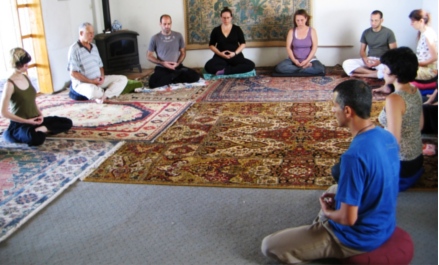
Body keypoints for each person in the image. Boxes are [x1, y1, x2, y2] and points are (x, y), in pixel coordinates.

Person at [261, 79, 400, 264]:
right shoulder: (386, 136)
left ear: (348, 111)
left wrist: (327, 212)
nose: (333, 110)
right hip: (385, 225)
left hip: (357, 238)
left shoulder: (354, 157)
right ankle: (319, 229)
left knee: (270, 245)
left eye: (334, 106)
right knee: (334, 189)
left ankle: (324, 234)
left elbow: (348, 219)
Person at [1, 48, 72, 146]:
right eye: (25, 64)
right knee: (37, 139)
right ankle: (15, 133)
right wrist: (26, 121)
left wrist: (40, 116)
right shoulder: (9, 84)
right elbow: (3, 112)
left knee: (67, 122)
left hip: (35, 120)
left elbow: (32, 101)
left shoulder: (26, 77)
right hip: (20, 124)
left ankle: (41, 129)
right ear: (18, 64)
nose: (27, 66)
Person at [378, 47, 424, 182]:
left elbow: (394, 142)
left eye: (385, 69)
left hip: (401, 164)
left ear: (396, 74)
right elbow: (420, 125)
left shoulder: (394, 99)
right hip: (417, 158)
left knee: (344, 167)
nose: (383, 72)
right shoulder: (416, 90)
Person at [373, 9, 437, 94]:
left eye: (413, 21)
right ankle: (387, 87)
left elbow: (434, 57)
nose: (411, 24)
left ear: (421, 21)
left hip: (430, 71)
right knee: (393, 67)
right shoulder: (423, 33)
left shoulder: (428, 35)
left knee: (399, 70)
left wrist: (416, 64)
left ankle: (390, 89)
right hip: (421, 66)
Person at [67, 22, 127, 104]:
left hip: (98, 81)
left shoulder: (94, 47)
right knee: (92, 91)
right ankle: (102, 93)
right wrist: (91, 81)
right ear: (81, 33)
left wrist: (102, 77)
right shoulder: (74, 49)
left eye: (93, 33)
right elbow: (73, 73)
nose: (92, 35)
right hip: (84, 83)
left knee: (123, 79)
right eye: (89, 33)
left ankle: (104, 96)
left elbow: (100, 66)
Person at [147, 14, 201, 88]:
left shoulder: (178, 35)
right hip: (162, 67)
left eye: (169, 24)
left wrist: (178, 63)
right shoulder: (155, 38)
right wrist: (162, 63)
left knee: (195, 76)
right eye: (164, 24)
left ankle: (171, 77)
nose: (167, 26)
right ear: (160, 24)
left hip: (176, 67)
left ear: (171, 23)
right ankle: (174, 77)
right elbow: (149, 55)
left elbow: (183, 53)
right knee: (152, 83)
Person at [342, 10, 397, 79]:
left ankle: (362, 74)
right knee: (346, 63)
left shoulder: (388, 32)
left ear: (381, 20)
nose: (373, 23)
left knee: (393, 69)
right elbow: (362, 50)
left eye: (376, 20)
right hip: (370, 59)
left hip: (383, 60)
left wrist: (380, 61)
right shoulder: (366, 32)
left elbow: (394, 52)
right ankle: (373, 73)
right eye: (371, 20)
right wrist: (366, 60)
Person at [204, 7, 255, 76]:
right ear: (221, 18)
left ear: (231, 18)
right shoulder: (216, 30)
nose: (226, 19)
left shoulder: (237, 29)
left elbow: (243, 43)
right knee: (208, 66)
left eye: (228, 17)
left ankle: (226, 70)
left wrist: (234, 53)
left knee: (250, 65)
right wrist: (220, 54)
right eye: (224, 17)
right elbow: (211, 45)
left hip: (235, 56)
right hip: (220, 56)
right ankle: (231, 69)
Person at [273, 9, 325, 76]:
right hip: (293, 60)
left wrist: (306, 61)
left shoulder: (312, 31)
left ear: (306, 19)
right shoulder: (291, 31)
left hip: (309, 60)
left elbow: (314, 48)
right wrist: (295, 61)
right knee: (280, 68)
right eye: (297, 20)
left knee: (319, 68)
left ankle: (301, 68)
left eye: (302, 20)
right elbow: (288, 48)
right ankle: (302, 69)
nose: (300, 22)